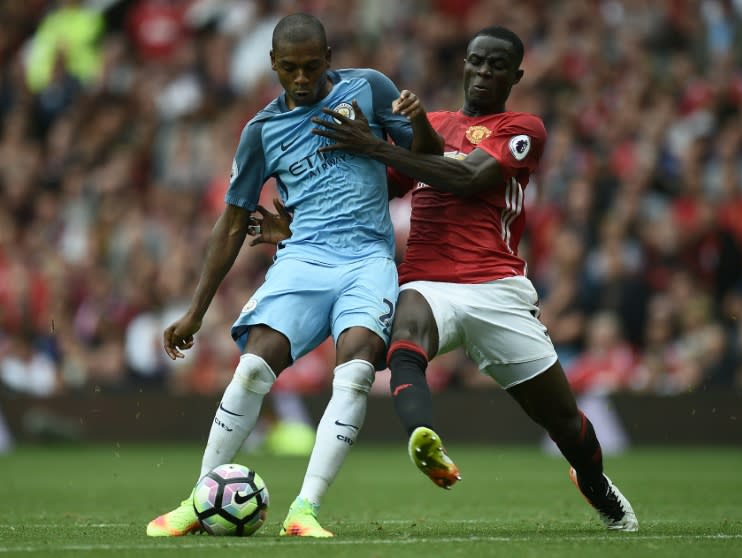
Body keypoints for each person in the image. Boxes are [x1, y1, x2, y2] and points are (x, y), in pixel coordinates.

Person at [308, 25, 639, 531]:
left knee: (565, 425)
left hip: (496, 287)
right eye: (477, 61)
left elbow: (468, 179)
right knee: (406, 334)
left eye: (497, 65)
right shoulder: (428, 123)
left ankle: (594, 482)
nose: (484, 72)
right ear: (464, 63)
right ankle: (424, 436)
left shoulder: (523, 127)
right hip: (428, 279)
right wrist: (303, 218)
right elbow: (374, 191)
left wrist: (378, 148)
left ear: (516, 75)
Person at [146, 12, 441, 538]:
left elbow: (430, 159)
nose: (301, 80)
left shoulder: (367, 89)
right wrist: (194, 312)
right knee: (253, 367)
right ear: (273, 65)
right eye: (290, 69)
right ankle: (198, 499)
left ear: (328, 59)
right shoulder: (261, 131)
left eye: (310, 67)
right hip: (302, 258)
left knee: (354, 371)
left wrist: (415, 123)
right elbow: (234, 219)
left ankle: (304, 511)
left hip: (368, 261)